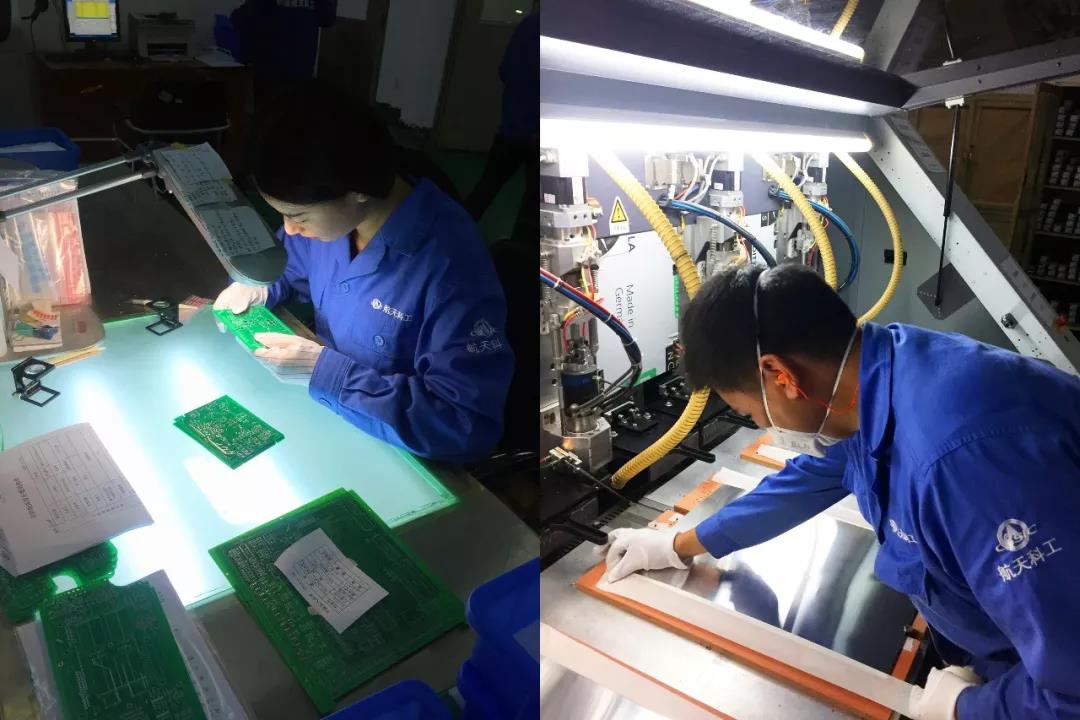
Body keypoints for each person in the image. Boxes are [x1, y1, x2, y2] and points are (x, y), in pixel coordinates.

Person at [600, 264, 1080, 720]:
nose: (761, 424)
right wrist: (678, 545)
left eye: (750, 412)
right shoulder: (877, 377)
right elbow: (801, 483)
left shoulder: (962, 463)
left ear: (780, 375)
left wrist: (965, 708)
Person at [213, 82, 513, 464]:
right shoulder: (333, 222)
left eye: (298, 215)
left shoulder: (451, 267)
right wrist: (258, 285)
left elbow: (462, 424)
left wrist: (328, 373)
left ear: (358, 189)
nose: (289, 229)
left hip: (398, 451)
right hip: (326, 417)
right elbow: (288, 264)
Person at [464, 8, 539, 243]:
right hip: (539, 135)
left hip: (512, 127)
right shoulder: (562, 33)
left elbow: (505, 70)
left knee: (487, 186)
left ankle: (453, 232)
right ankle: (520, 248)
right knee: (533, 199)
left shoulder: (529, 24)